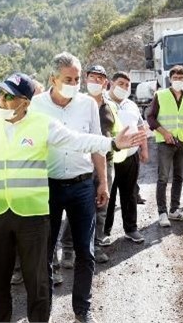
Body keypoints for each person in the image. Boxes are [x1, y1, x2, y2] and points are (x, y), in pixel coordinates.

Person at [0, 72, 143, 323]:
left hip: (32, 216)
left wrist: (113, 144)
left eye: (10, 96)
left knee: (37, 282)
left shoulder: (42, 123)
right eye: (0, 93)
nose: (2, 100)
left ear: (25, 102)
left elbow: (77, 140)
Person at [30, 52, 112, 323]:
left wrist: (103, 180)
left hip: (82, 185)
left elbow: (96, 143)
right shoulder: (37, 105)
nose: (75, 83)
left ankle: (82, 310)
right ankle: (45, 313)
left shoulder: (88, 104)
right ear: (53, 78)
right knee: (45, 253)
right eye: (69, 79)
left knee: (85, 252)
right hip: (48, 186)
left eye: (77, 78)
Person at [59, 64, 116, 267]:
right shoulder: (77, 102)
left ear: (105, 82)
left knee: (101, 205)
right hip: (81, 163)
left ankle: (97, 244)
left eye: (100, 78)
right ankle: (67, 250)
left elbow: (112, 132)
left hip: (104, 161)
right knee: (75, 208)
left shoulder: (109, 106)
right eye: (92, 77)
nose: (96, 81)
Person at [147, 65, 183, 227]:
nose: (178, 81)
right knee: (163, 177)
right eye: (175, 78)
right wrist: (164, 133)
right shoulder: (160, 95)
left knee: (179, 176)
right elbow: (151, 118)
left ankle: (174, 210)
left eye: (181, 78)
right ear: (170, 79)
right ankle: (162, 213)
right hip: (165, 142)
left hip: (182, 142)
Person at [104, 71, 148, 242]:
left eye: (127, 85)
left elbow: (140, 128)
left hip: (131, 155)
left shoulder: (132, 105)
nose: (123, 87)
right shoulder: (102, 102)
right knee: (109, 194)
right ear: (111, 84)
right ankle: (104, 232)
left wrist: (144, 150)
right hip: (110, 156)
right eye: (120, 83)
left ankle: (131, 229)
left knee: (129, 193)